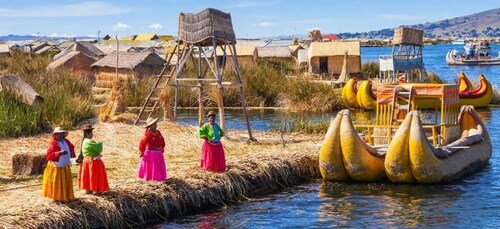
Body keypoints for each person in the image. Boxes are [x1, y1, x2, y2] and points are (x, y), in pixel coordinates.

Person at [42, 127, 75, 201]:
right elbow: (49, 154)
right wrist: (59, 153)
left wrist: (72, 153)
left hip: (65, 164)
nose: (59, 135)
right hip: (56, 166)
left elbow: (71, 148)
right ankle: (56, 197)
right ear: (54, 135)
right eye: (57, 134)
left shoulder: (66, 141)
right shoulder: (53, 143)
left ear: (63, 134)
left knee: (65, 182)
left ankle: (65, 196)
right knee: (57, 182)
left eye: (61, 134)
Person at [77, 124, 110, 194]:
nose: (92, 134)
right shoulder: (89, 141)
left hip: (87, 161)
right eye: (91, 133)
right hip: (92, 162)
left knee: (88, 175)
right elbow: (99, 148)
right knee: (94, 175)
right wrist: (99, 143)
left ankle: (88, 189)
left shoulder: (84, 141)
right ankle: (96, 189)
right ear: (87, 133)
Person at [138, 117, 167, 181]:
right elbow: (142, 143)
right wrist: (142, 152)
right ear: (150, 126)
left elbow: (162, 140)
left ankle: (159, 178)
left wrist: (162, 148)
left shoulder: (158, 132)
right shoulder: (148, 134)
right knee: (153, 166)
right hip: (150, 154)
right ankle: (151, 177)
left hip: (158, 153)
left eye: (155, 124)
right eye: (153, 124)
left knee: (158, 166)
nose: (155, 125)